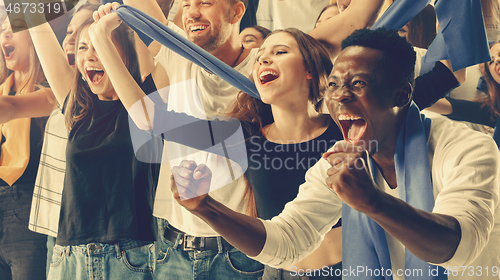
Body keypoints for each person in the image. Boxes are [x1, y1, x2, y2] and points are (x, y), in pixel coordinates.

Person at [171, 28, 500, 280]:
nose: (340, 97)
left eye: (357, 84)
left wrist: (372, 202)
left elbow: (459, 248)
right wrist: (207, 208)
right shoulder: (337, 161)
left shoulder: (466, 149)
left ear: (401, 95)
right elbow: (286, 241)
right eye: (335, 85)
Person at [25, 6, 161, 277]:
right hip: (68, 259)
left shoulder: (145, 101)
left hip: (129, 258)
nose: (88, 56)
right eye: (83, 47)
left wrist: (117, 17)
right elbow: (31, 15)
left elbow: (159, 31)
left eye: (100, 45)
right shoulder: (77, 105)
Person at [0, 13, 54, 280]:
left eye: (14, 28)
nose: (5, 35)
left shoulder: (52, 89)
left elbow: (9, 110)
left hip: (28, 209)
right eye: (2, 30)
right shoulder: (2, 90)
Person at [427, 41, 500, 137]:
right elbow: (448, 106)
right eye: (491, 62)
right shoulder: (491, 112)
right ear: (493, 77)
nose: (497, 60)